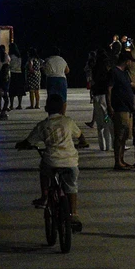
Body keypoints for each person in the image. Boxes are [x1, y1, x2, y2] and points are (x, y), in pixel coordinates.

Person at [17, 93, 87, 227]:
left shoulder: (43, 125)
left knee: (44, 170)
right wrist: (82, 143)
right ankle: (73, 214)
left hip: (52, 161)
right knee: (72, 186)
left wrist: (21, 145)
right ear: (62, 108)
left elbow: (29, 141)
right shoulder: (68, 121)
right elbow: (81, 137)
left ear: (46, 108)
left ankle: (44, 197)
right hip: (70, 161)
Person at [107, 51, 135, 169]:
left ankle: (121, 160)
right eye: (130, 61)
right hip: (119, 108)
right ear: (126, 61)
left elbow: (132, 87)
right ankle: (117, 162)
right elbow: (109, 90)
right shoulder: (114, 72)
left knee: (124, 136)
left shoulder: (125, 73)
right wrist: (110, 106)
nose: (131, 64)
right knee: (119, 135)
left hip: (128, 109)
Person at [90, 52, 113, 152]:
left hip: (96, 96)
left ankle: (102, 146)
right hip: (104, 96)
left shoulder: (94, 68)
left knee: (99, 124)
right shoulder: (107, 70)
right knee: (107, 121)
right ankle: (108, 146)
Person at [8, 44, 26, 109]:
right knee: (19, 90)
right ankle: (19, 105)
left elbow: (9, 65)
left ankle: (11, 105)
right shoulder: (19, 56)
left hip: (12, 73)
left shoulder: (10, 56)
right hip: (19, 73)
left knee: (12, 90)